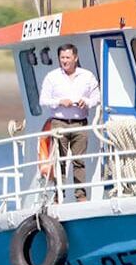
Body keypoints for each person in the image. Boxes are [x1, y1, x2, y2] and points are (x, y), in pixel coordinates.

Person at [37, 43, 101, 200]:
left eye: (67, 57)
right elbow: (43, 100)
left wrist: (86, 102)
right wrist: (59, 101)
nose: (64, 61)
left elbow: (97, 97)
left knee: (79, 161)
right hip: (59, 123)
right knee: (61, 161)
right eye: (62, 58)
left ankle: (81, 196)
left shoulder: (87, 76)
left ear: (75, 58)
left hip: (80, 123)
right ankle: (59, 195)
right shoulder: (52, 77)